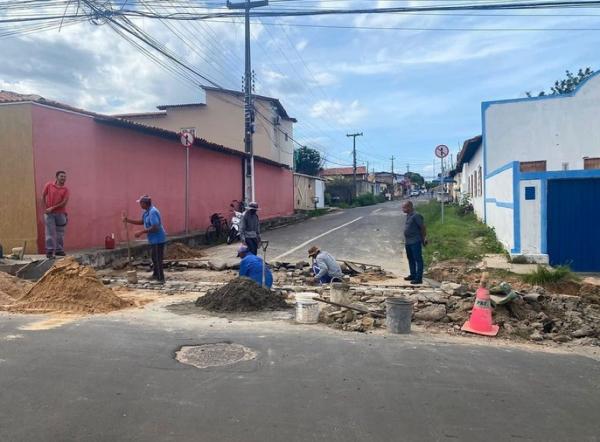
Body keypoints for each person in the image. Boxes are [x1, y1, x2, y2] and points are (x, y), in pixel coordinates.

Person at [123, 195, 167, 283]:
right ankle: (155, 274)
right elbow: (142, 221)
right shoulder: (146, 212)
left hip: (158, 239)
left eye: (140, 203)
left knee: (158, 259)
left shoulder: (153, 212)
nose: (140, 204)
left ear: (145, 203)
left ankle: (160, 278)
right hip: (153, 239)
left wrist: (141, 232)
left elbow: (155, 227)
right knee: (154, 258)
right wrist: (128, 220)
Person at [42, 170, 70, 258]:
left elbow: (64, 203)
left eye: (65, 177)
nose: (63, 178)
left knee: (60, 234)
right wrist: (45, 208)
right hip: (49, 214)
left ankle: (59, 250)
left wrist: (52, 208)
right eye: (62, 176)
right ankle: (49, 252)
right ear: (57, 177)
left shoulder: (66, 190)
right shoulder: (49, 185)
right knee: (49, 233)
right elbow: (43, 196)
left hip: (61, 214)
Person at [402, 200, 427, 285]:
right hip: (408, 241)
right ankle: (413, 275)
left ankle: (418, 278)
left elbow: (422, 227)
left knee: (418, 259)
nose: (403, 209)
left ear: (409, 207)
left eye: (404, 207)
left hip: (415, 241)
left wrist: (424, 238)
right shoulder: (408, 215)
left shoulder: (416, 215)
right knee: (410, 259)